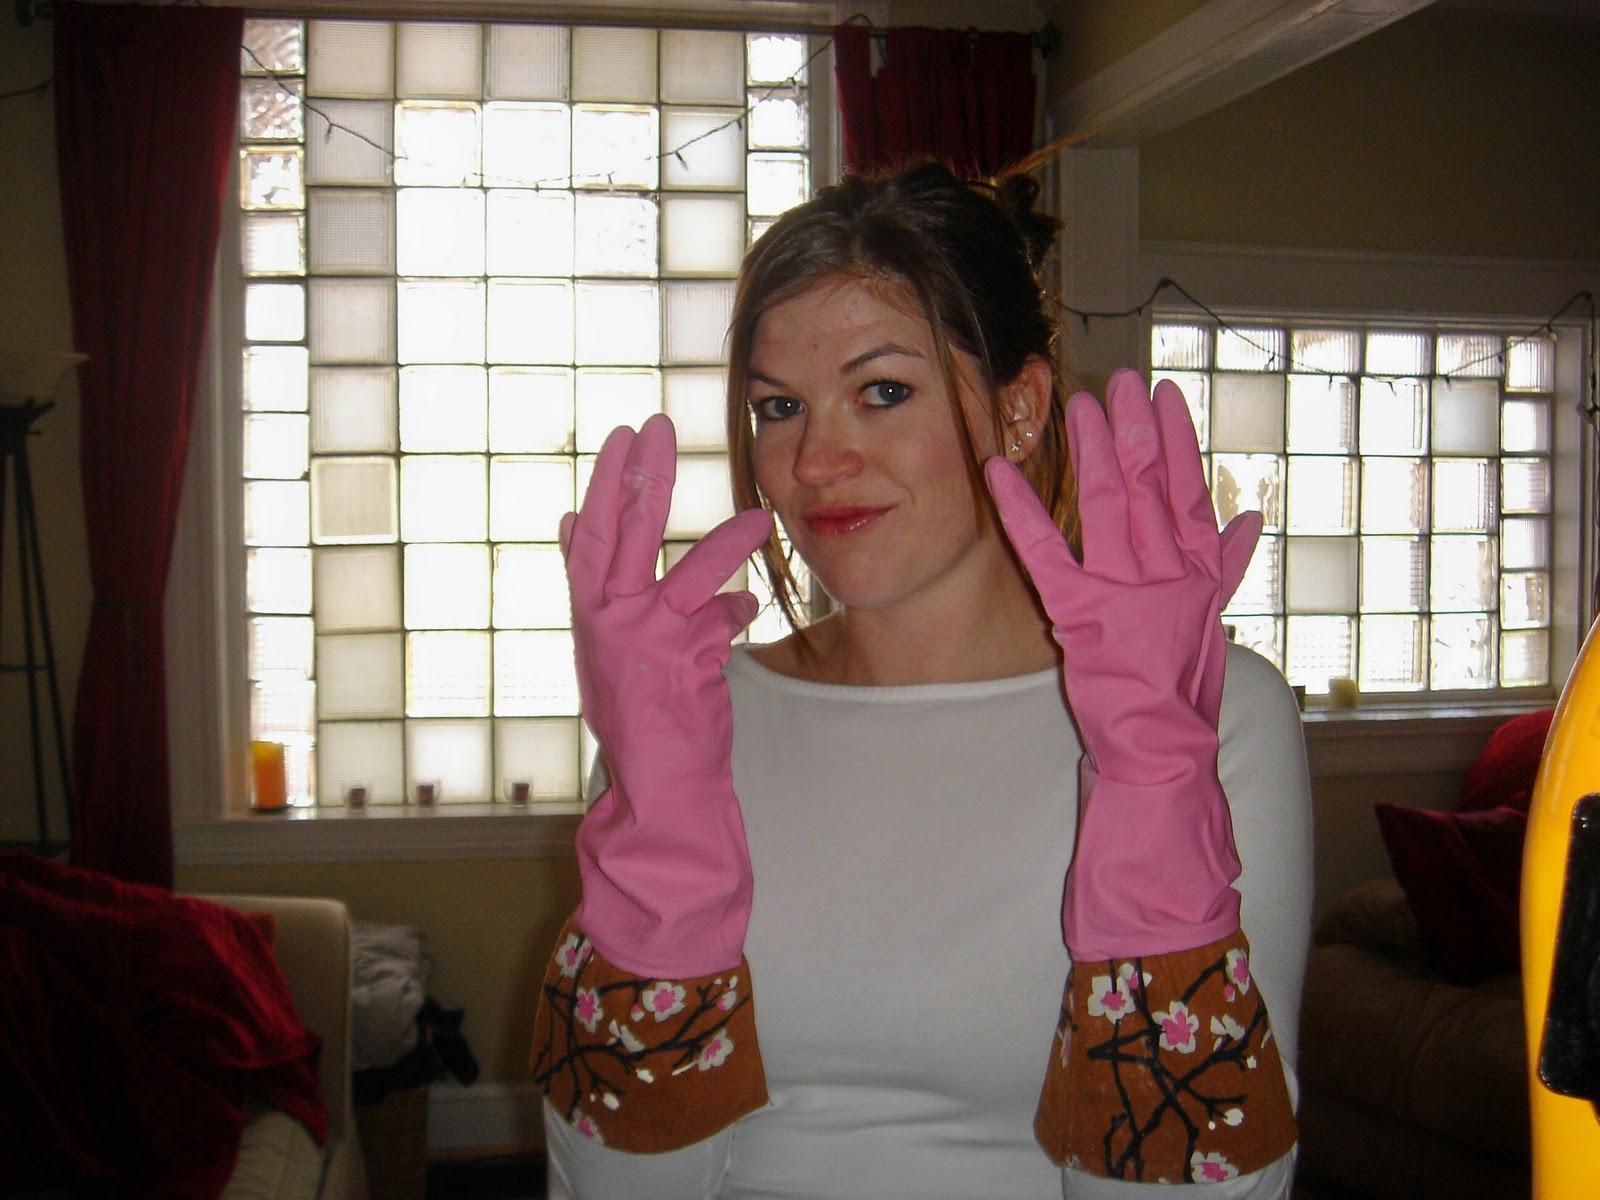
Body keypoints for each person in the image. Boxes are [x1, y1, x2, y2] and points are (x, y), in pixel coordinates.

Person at [529, 158, 1313, 1200]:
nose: (814, 462)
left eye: (883, 392)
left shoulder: (1208, 715)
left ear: (1019, 409)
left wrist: (1150, 787)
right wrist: (658, 844)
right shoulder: (677, 721)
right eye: (779, 407)